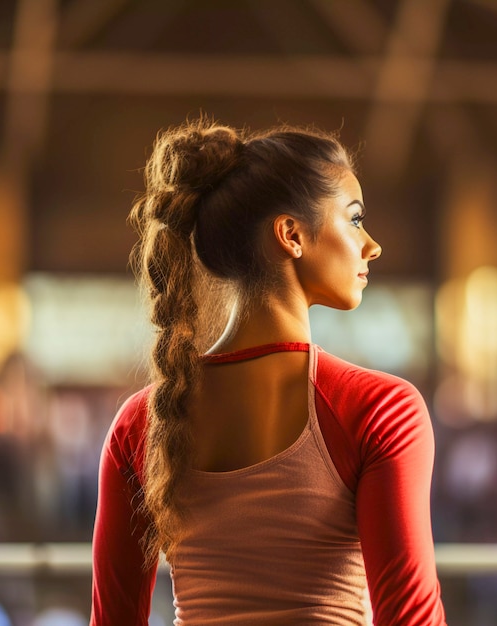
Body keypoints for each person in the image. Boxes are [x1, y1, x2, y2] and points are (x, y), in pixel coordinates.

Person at [90, 116, 446, 625]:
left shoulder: (140, 425)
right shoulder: (380, 410)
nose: (372, 245)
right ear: (291, 234)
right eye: (355, 218)